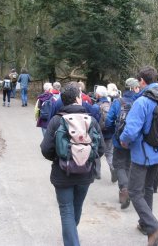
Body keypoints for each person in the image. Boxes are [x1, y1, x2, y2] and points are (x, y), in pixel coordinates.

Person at [119, 66, 158, 246]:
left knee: (135, 192)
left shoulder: (142, 102)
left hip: (140, 155)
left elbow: (130, 131)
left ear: (142, 81)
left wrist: (123, 141)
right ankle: (145, 225)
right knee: (148, 189)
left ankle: (153, 228)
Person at [40, 83, 105, 246]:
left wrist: (60, 158)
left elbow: (45, 149)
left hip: (62, 174)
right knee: (76, 207)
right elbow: (101, 149)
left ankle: (71, 238)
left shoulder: (56, 121)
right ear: (78, 99)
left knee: (66, 210)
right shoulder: (91, 121)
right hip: (85, 174)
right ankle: (71, 235)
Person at [105, 77, 140, 209]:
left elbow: (109, 120)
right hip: (135, 140)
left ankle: (124, 189)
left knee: (119, 164)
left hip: (119, 139)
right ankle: (130, 189)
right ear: (135, 88)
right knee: (130, 164)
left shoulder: (118, 102)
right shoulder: (140, 101)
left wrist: (114, 130)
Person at [92, 85, 114, 181]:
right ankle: (113, 168)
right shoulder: (112, 104)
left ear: (98, 95)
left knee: (96, 152)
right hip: (109, 133)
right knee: (109, 153)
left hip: (98, 134)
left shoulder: (96, 106)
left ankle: (97, 173)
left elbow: (93, 121)